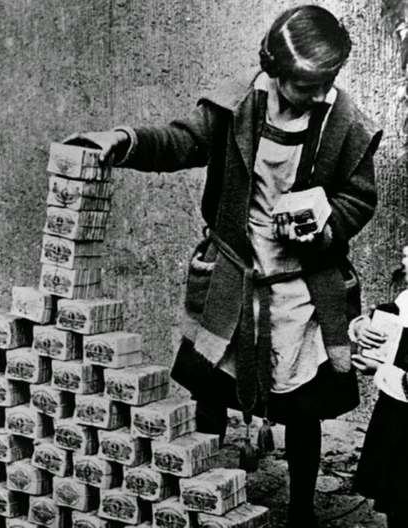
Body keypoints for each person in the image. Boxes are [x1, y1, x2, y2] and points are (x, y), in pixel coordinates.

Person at [66, 6, 382, 527]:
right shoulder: (236, 106)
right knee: (210, 388)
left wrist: (324, 226)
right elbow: (181, 141)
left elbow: (358, 198)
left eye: (328, 82)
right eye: (306, 85)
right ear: (275, 70)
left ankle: (301, 509)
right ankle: (204, 494)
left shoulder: (345, 123)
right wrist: (124, 142)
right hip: (234, 277)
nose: (319, 94)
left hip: (300, 289)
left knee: (302, 407)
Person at [351, 246, 408, 528]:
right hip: (395, 413)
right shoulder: (405, 299)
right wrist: (362, 327)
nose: (405, 254)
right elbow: (390, 327)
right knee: (395, 495)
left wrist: (382, 370)